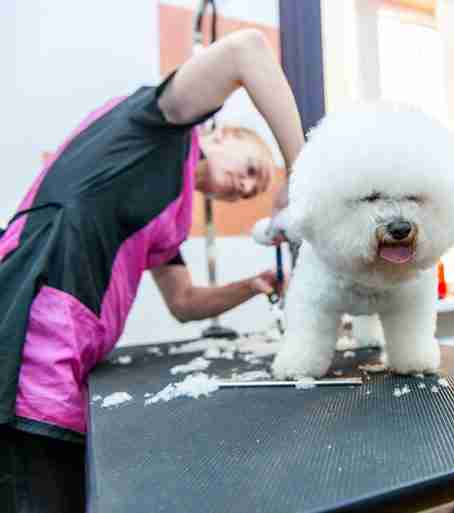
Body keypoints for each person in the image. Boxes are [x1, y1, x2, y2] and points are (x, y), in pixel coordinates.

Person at [0, 28, 304, 512]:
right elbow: (247, 50)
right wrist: (299, 173)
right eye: (250, 170)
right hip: (26, 352)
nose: (244, 188)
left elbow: (184, 304)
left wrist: (253, 286)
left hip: (70, 364)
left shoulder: (170, 212)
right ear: (219, 133)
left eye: (252, 192)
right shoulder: (159, 126)